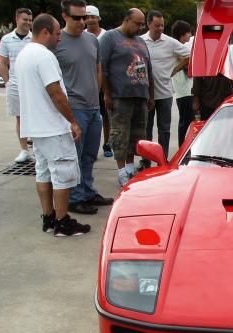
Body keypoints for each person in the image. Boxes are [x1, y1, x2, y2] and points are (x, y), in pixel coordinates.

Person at [17, 13, 90, 237]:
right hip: (52, 127)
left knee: (43, 173)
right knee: (63, 174)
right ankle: (62, 221)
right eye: (57, 33)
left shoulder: (23, 54)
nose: (60, 38)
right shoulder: (44, 56)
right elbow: (56, 93)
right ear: (45, 32)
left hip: (35, 127)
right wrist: (72, 121)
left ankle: (48, 217)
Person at [54, 0, 113, 215]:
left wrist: (95, 94)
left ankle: (88, 192)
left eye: (85, 16)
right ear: (64, 16)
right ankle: (76, 198)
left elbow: (98, 69)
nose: (83, 21)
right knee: (75, 156)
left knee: (89, 155)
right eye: (77, 17)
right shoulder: (57, 41)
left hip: (93, 107)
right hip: (74, 108)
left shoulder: (92, 40)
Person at [100, 8, 154, 186]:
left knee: (136, 135)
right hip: (120, 96)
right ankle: (122, 171)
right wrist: (107, 93)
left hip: (140, 95)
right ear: (126, 20)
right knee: (120, 134)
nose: (140, 28)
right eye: (137, 24)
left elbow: (147, 68)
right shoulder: (110, 37)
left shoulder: (140, 41)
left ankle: (131, 169)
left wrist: (150, 95)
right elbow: (103, 68)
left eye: (142, 24)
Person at [141, 10, 189, 166]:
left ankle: (162, 162)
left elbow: (190, 55)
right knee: (146, 130)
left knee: (164, 130)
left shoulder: (170, 42)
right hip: (146, 94)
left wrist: (175, 69)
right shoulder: (140, 41)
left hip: (165, 93)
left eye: (162, 25)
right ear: (148, 24)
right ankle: (146, 161)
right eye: (157, 25)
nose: (160, 28)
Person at [0, 7, 33, 163]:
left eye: (30, 20)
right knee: (20, 118)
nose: (28, 22)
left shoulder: (34, 38)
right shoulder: (6, 39)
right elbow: (3, 63)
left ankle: (38, 150)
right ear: (17, 19)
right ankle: (24, 150)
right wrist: (7, 83)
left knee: (35, 115)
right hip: (14, 84)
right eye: (25, 19)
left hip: (32, 84)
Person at [85, 4, 113, 159]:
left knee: (106, 116)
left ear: (99, 18)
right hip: (86, 83)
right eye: (87, 17)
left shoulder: (107, 36)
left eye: (93, 17)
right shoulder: (80, 35)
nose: (90, 20)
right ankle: (90, 148)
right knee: (88, 116)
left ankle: (107, 143)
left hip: (104, 82)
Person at [170, 20, 194, 148]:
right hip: (183, 90)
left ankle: (184, 147)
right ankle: (183, 147)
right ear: (182, 34)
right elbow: (188, 63)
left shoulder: (179, 47)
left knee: (186, 120)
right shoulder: (178, 48)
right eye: (188, 32)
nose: (190, 35)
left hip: (185, 89)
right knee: (185, 121)